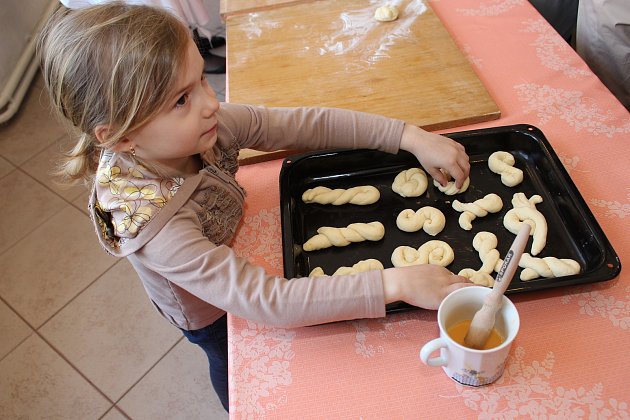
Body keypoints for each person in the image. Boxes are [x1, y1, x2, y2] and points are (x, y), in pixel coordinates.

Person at [37, 2, 472, 412]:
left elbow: (300, 124)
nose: (211, 103)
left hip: (224, 244)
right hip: (207, 309)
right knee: (229, 361)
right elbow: (268, 301)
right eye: (181, 100)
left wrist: (408, 136)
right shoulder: (158, 229)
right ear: (121, 137)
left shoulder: (204, 125)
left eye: (201, 80)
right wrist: (391, 284)